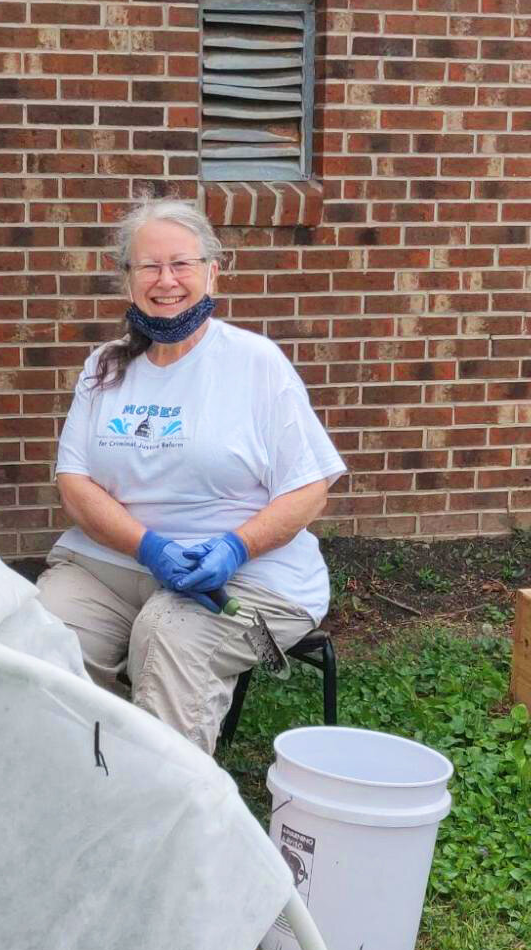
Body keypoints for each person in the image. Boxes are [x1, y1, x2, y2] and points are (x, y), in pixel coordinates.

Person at [35, 198, 346, 752]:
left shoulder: (255, 363)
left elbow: (308, 488)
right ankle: (86, 782)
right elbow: (75, 484)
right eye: (149, 267)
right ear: (127, 280)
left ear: (211, 271)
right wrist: (149, 547)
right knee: (46, 636)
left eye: (180, 263)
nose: (166, 280)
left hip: (247, 578)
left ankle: (172, 821)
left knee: (168, 634)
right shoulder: (106, 366)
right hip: (115, 564)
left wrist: (235, 547)